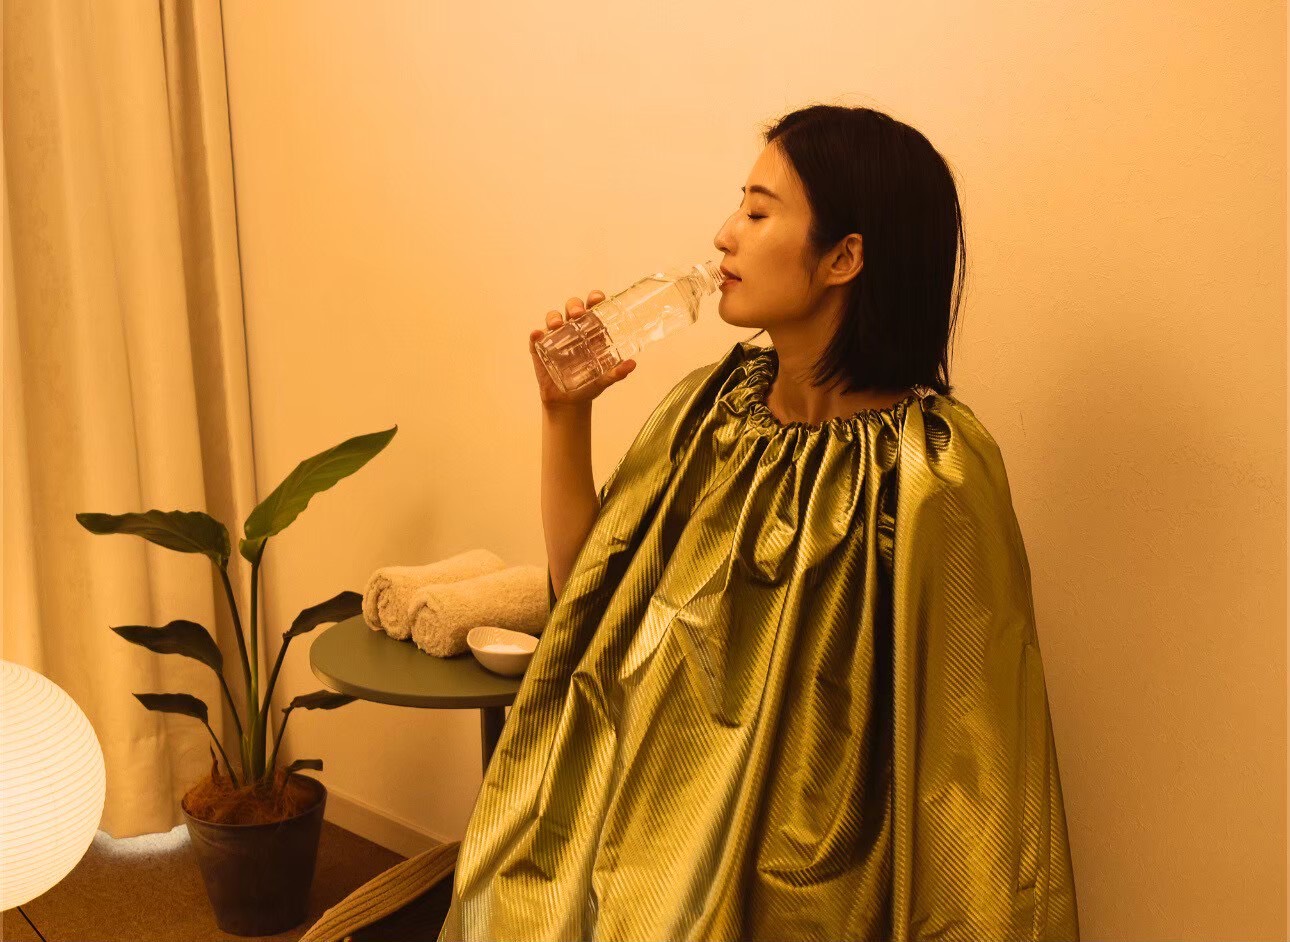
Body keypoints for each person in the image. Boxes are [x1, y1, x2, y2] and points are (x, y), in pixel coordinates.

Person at [438, 104, 1080, 941]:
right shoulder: (713, 410)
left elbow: (974, 765)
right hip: (635, 837)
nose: (723, 236)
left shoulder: (933, 473)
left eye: (758, 211)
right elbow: (588, 602)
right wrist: (565, 414)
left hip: (810, 888)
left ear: (844, 257)